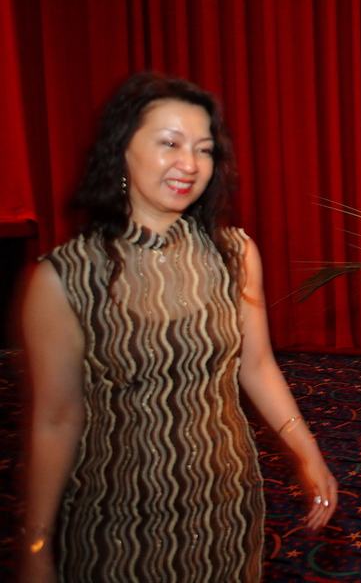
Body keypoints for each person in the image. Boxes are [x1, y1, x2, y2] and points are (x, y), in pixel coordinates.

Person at [19, 72, 338, 583]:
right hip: (118, 518)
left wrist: (307, 452)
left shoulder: (235, 253)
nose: (189, 164)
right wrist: (35, 540)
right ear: (122, 149)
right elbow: (55, 419)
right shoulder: (65, 277)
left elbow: (256, 365)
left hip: (226, 503)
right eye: (170, 143)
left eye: (204, 149)